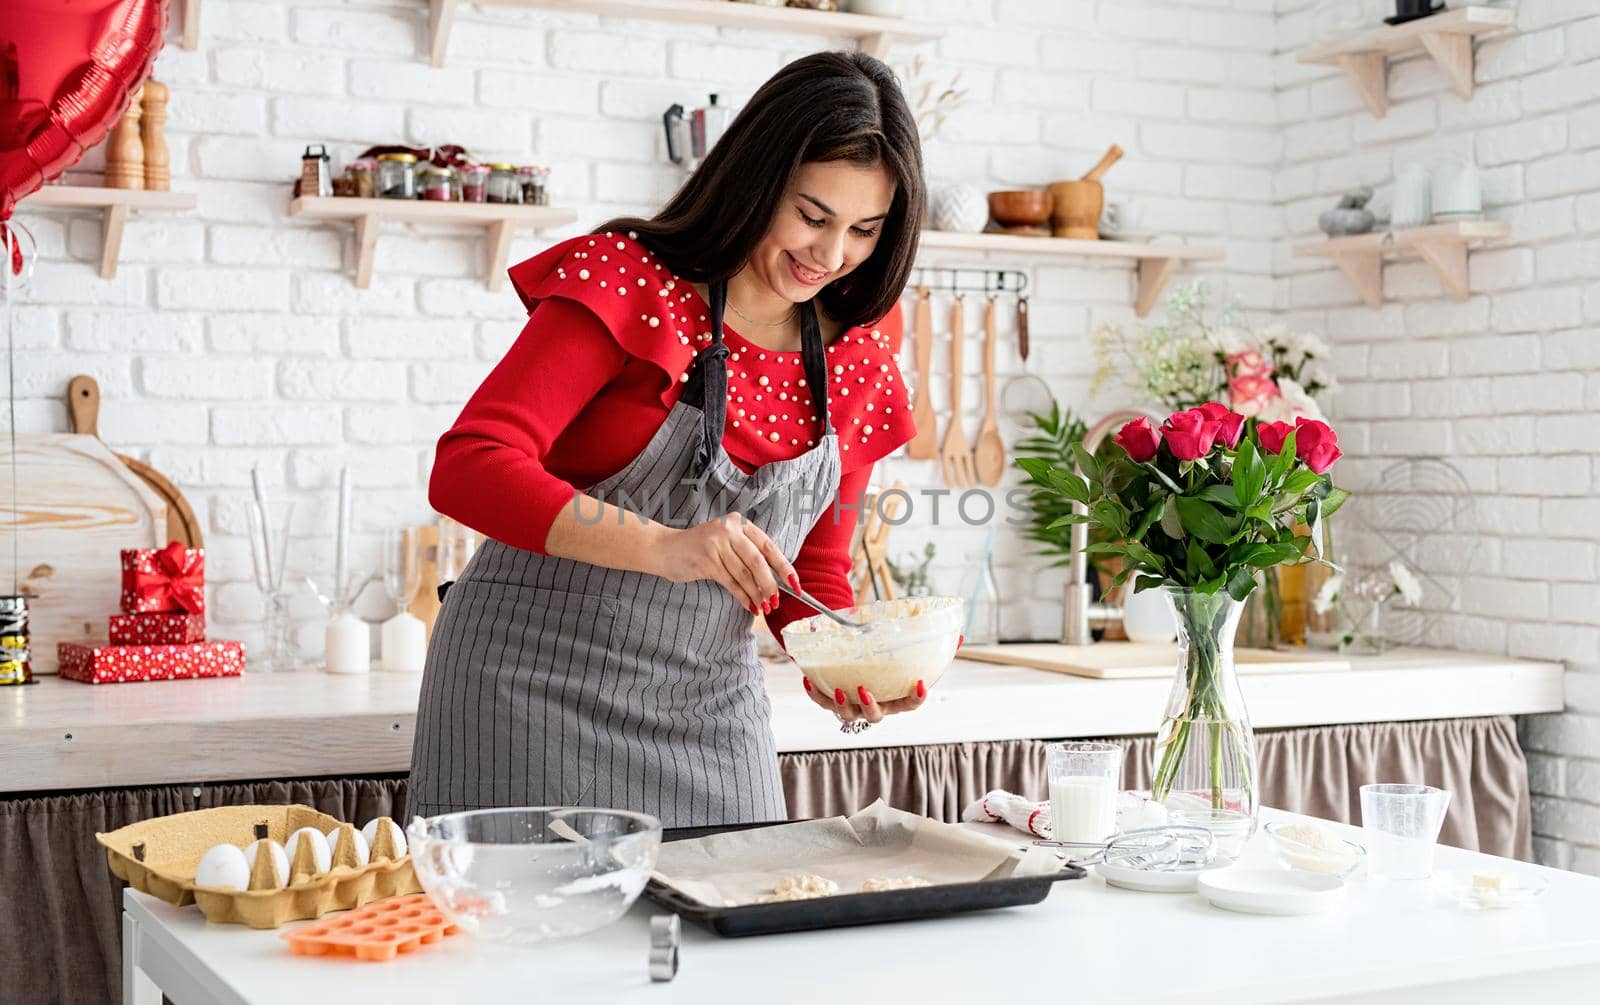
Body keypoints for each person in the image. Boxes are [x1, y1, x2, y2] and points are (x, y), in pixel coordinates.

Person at [409, 50, 927, 827]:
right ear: (755, 181)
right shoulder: (631, 280)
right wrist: (663, 545)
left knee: (741, 932)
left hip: (712, 712)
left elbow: (811, 565)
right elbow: (469, 467)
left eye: (862, 230)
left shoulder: (858, 354)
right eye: (813, 216)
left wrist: (836, 660)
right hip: (524, 689)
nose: (830, 254)